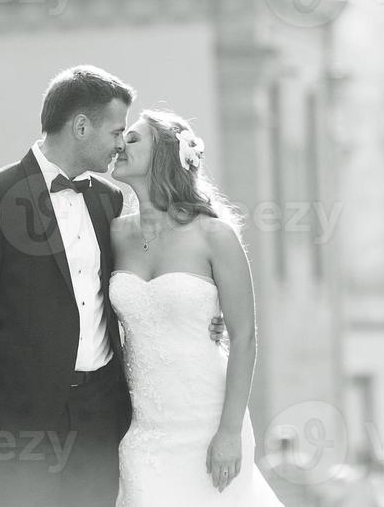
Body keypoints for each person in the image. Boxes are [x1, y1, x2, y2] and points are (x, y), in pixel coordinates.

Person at [0, 66, 223, 507]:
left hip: (102, 413)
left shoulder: (108, 200)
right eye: (116, 131)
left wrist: (199, 317)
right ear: (80, 126)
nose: (119, 144)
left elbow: (138, 284)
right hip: (23, 419)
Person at [108, 108, 285, 505]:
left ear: (165, 155)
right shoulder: (114, 234)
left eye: (133, 139)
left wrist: (228, 432)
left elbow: (244, 337)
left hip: (208, 419)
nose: (121, 145)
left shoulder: (214, 235)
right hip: (142, 427)